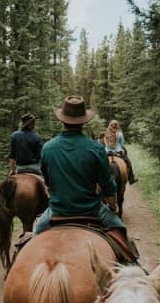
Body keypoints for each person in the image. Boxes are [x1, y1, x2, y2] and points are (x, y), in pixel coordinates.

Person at [35, 95, 124, 234]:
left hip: (58, 211)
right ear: (84, 122)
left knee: (36, 234)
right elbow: (107, 185)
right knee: (121, 230)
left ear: (62, 120)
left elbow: (48, 182)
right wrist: (113, 206)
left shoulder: (48, 148)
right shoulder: (96, 148)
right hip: (91, 210)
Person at [104, 119, 138, 184]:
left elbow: (105, 143)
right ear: (117, 126)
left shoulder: (106, 133)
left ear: (110, 125)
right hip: (118, 152)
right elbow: (122, 144)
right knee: (128, 162)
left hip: (107, 152)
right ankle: (131, 179)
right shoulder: (120, 134)